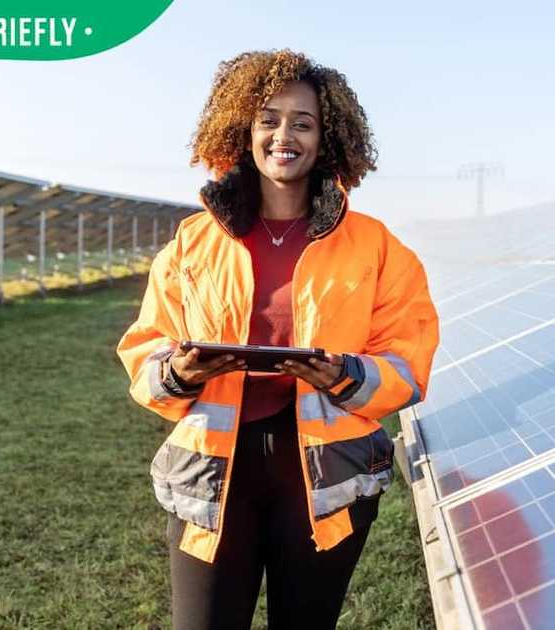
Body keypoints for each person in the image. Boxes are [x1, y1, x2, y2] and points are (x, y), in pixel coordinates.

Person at [115, 48, 440, 629]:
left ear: (327, 138)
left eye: (302, 123)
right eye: (268, 119)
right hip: (213, 478)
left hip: (326, 480)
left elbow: (408, 363)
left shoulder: (377, 246)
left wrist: (347, 374)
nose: (283, 135)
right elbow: (146, 348)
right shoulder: (193, 242)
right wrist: (179, 372)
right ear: (243, 129)